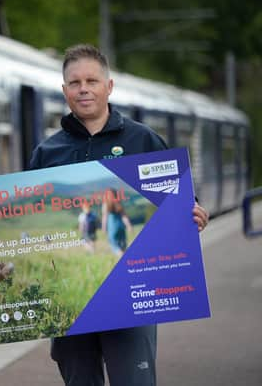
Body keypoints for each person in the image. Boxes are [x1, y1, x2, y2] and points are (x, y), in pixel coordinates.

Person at [28, 44, 209, 386]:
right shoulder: (47, 152)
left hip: (132, 297)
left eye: (92, 81)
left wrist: (195, 215)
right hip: (71, 301)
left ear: (109, 87)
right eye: (75, 82)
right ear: (64, 90)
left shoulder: (143, 140)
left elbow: (179, 204)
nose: (83, 89)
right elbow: (33, 225)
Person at [101, 192, 132, 257]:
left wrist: (103, 228)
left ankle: (121, 257)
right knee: (123, 246)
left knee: (115, 246)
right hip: (121, 227)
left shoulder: (106, 205)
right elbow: (124, 216)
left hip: (112, 228)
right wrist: (129, 226)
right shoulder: (119, 204)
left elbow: (105, 217)